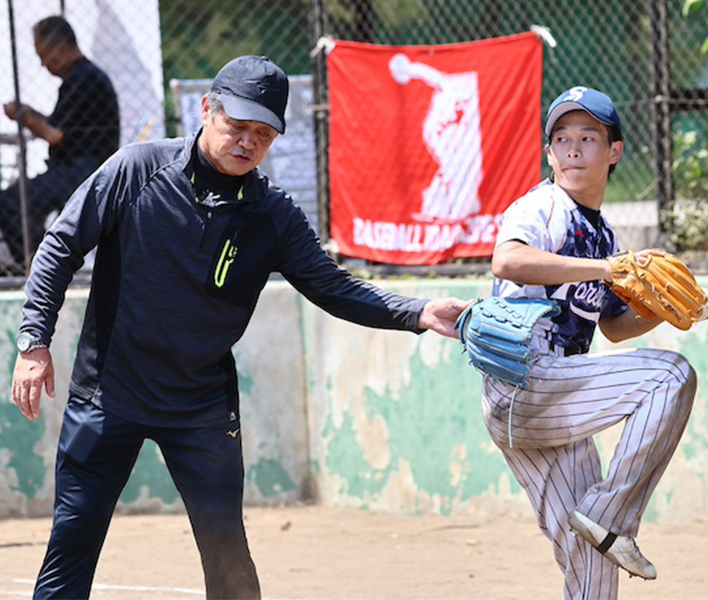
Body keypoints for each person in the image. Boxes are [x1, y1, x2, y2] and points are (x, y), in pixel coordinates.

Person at [10, 54, 469, 600]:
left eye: (263, 134)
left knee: (227, 550)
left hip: (200, 407)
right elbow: (60, 245)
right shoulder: (135, 169)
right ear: (206, 109)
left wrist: (415, 313)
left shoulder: (272, 215)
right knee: (73, 541)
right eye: (237, 126)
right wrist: (34, 341)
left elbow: (333, 285)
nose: (248, 142)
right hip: (109, 394)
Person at [483, 86, 708, 599]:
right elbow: (508, 260)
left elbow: (613, 326)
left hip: (554, 401)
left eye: (588, 137)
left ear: (614, 152)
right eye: (561, 138)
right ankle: (611, 513)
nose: (572, 148)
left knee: (591, 555)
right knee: (672, 376)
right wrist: (607, 268)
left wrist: (663, 311)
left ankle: (605, 522)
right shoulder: (543, 206)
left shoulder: (604, 235)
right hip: (526, 379)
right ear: (549, 153)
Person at [1, 15, 119, 272]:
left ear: (62, 50)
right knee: (21, 201)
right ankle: (41, 261)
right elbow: (59, 126)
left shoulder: (83, 79)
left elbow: (54, 135)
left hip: (84, 171)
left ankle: (38, 267)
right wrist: (30, 113)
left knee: (10, 201)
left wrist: (25, 116)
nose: (43, 64)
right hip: (79, 168)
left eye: (44, 55)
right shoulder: (82, 77)